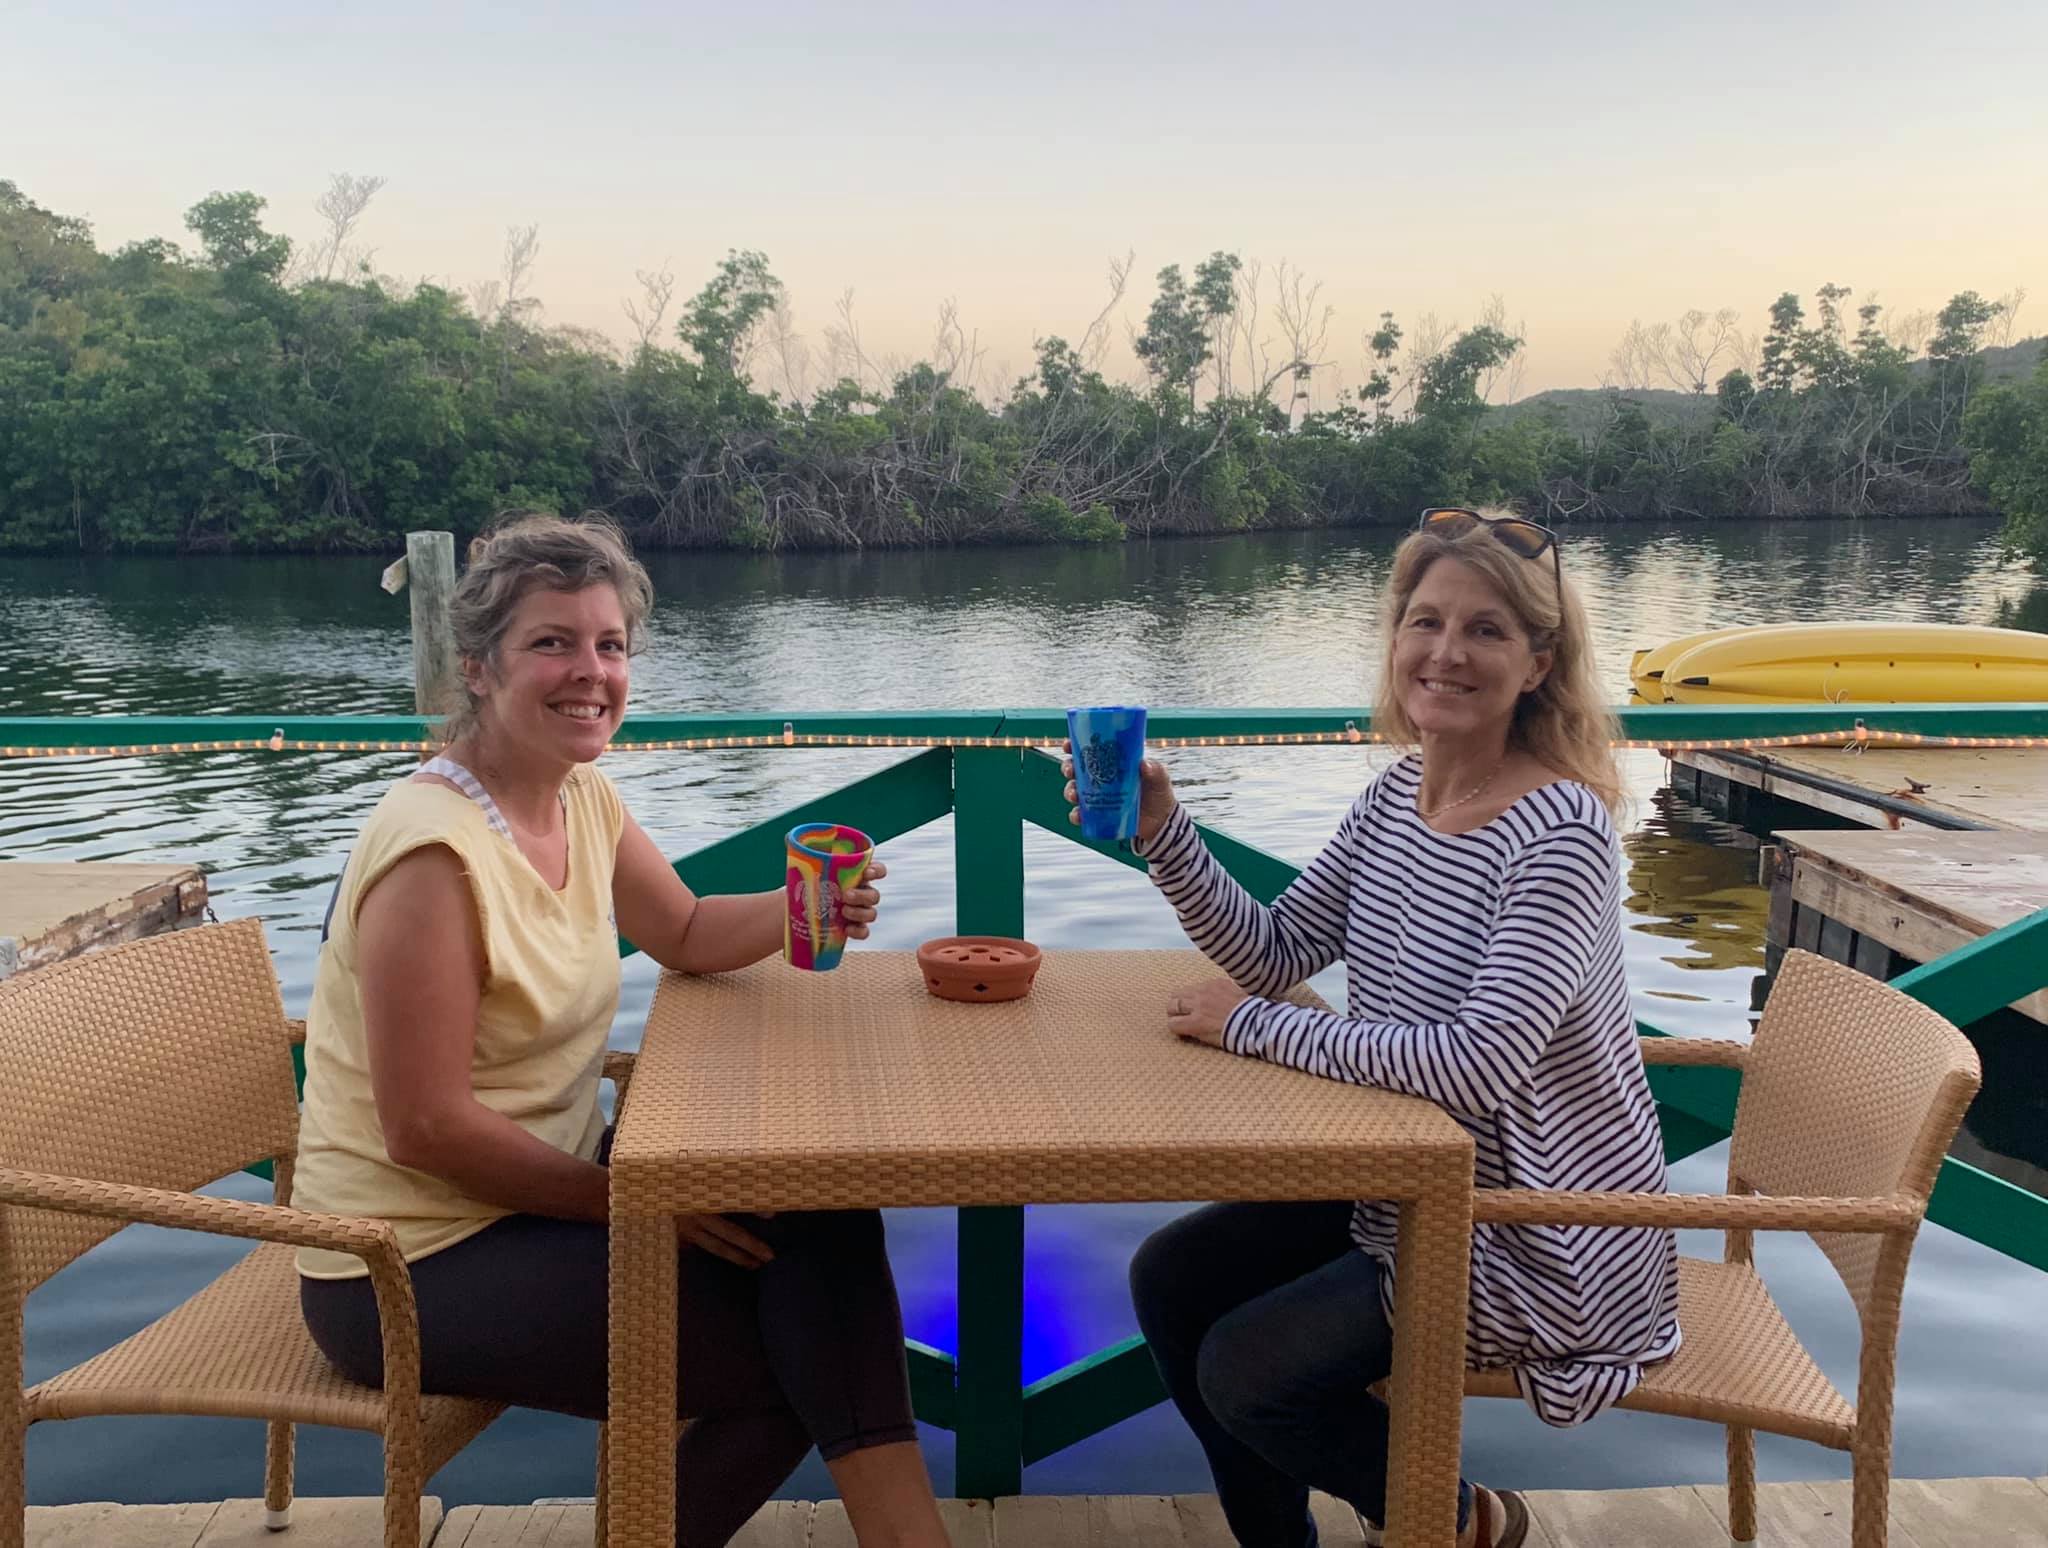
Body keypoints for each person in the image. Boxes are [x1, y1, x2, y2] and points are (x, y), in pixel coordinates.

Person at [294, 513, 950, 1548]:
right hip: (402, 1260)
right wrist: (628, 1207)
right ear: (475, 667)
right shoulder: (431, 857)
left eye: (608, 645)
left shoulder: (579, 795)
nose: (588, 671)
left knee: (818, 1214)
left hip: (540, 1192)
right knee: (794, 1359)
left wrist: (794, 910)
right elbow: (425, 1128)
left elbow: (682, 927)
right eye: (550, 643)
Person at [1073, 508, 1680, 1548]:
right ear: (1394, 637)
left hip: (1534, 1230)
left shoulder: (1561, 834)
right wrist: (1163, 832)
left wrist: (1251, 1031)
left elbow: (1476, 1069)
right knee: (1169, 1278)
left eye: (1485, 631)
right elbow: (1270, 955)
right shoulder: (1395, 796)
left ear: (1538, 663)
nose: (1444, 652)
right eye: (1424, 620)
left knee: (1244, 1373)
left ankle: (1454, 1521)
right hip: (1405, 1184)